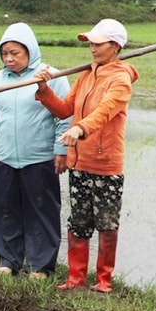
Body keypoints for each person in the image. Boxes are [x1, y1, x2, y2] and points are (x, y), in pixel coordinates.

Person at [34, 18, 138, 294]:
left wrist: (80, 129)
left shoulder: (121, 79)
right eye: (90, 43)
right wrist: (44, 90)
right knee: (78, 220)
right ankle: (75, 277)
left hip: (106, 164)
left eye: (98, 44)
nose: (92, 48)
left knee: (106, 222)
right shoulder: (86, 75)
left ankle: (104, 279)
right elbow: (64, 109)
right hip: (79, 162)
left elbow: (105, 111)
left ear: (114, 46)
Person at [0, 23, 70, 278]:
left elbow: (65, 116)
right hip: (6, 159)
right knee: (5, 210)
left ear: (30, 51)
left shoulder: (50, 77)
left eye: (15, 53)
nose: (9, 58)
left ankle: (40, 266)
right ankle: (8, 260)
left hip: (40, 159)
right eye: (5, 54)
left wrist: (61, 150)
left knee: (41, 212)